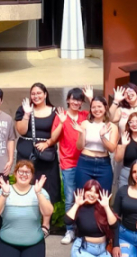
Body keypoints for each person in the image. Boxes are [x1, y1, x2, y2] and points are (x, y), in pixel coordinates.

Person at [0, 160, 53, 257]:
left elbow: (48, 212)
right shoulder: (5, 190)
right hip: (8, 241)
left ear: (32, 175)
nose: (24, 174)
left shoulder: (39, 191)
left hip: (33, 242)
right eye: (21, 171)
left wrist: (39, 193)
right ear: (15, 173)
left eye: (27, 172)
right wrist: (4, 194)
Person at [15, 82, 63, 209]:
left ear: (45, 94)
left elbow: (58, 134)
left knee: (47, 187)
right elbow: (21, 131)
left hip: (46, 156)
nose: (36, 96)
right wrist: (26, 114)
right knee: (26, 185)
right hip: (26, 155)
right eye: (33, 94)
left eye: (39, 93)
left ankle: (46, 222)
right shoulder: (24, 109)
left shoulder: (55, 111)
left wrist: (47, 143)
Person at [54, 86, 92, 244]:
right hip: (68, 162)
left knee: (85, 197)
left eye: (79, 99)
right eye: (74, 99)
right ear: (68, 100)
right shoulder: (61, 116)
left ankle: (83, 229)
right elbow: (54, 137)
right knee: (70, 198)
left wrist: (91, 98)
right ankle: (69, 230)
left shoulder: (85, 115)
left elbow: (103, 115)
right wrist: (62, 123)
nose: (76, 102)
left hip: (85, 161)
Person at [64, 180, 120, 257]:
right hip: (84, 249)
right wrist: (76, 204)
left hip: (102, 251)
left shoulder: (102, 208)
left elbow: (115, 226)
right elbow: (67, 221)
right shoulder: (79, 208)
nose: (92, 194)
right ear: (84, 192)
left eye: (95, 192)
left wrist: (107, 207)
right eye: (89, 191)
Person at [72, 95, 119, 194]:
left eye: (99, 107)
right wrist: (81, 133)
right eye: (93, 107)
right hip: (85, 162)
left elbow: (112, 149)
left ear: (105, 107)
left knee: (104, 195)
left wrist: (102, 137)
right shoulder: (85, 123)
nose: (96, 109)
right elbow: (79, 146)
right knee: (82, 194)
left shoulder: (112, 126)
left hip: (104, 164)